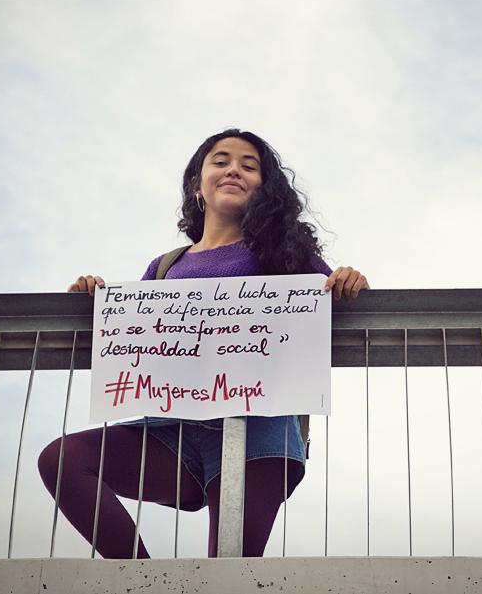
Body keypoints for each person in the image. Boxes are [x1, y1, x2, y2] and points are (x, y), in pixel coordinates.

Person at [37, 128, 368, 558]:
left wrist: (350, 281)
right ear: (198, 185)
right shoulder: (165, 265)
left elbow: (331, 304)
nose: (234, 169)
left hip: (258, 431)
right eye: (221, 160)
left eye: (250, 166)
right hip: (172, 430)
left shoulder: (283, 253)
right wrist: (93, 302)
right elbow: (140, 342)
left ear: (264, 188)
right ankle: (142, 585)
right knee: (63, 459)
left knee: (227, 573)